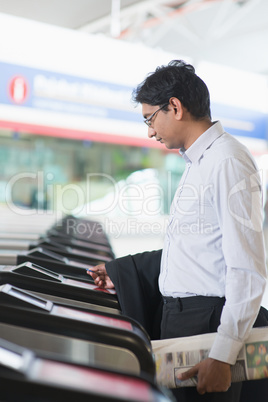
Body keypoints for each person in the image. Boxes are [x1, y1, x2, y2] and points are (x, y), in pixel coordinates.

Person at [88, 60, 267, 402]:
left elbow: (247, 268)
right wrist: (119, 272)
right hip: (186, 324)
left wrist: (222, 355)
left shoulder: (226, 161)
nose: (150, 131)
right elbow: (195, 250)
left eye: (149, 118)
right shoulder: (197, 162)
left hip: (207, 329)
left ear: (175, 107)